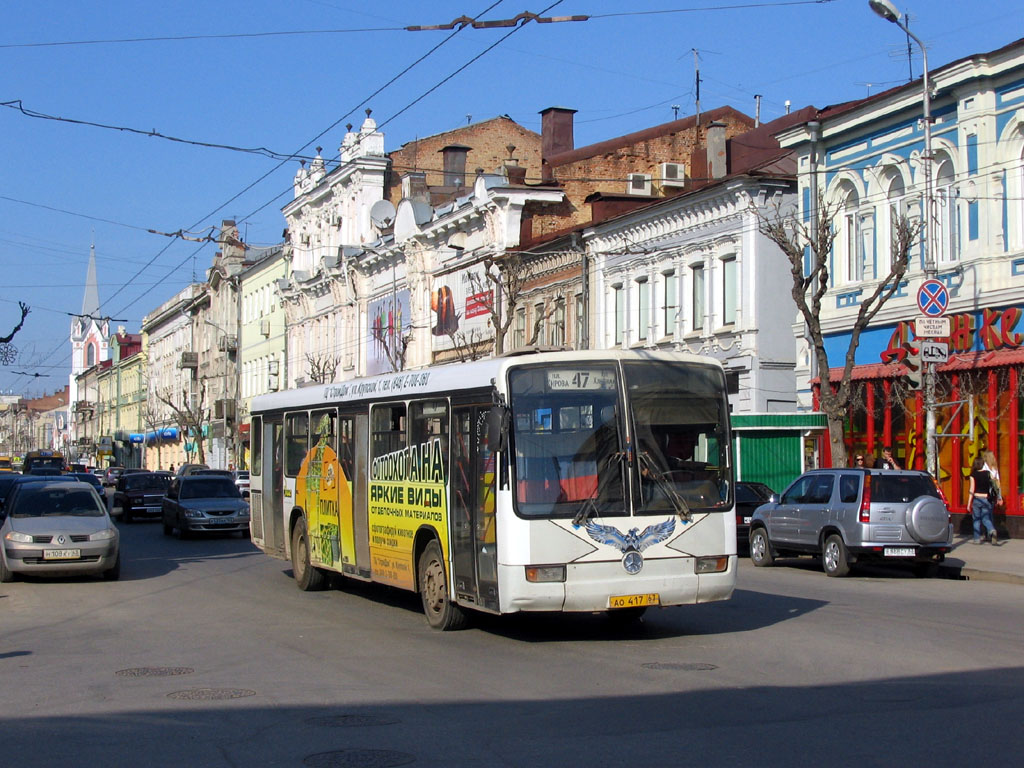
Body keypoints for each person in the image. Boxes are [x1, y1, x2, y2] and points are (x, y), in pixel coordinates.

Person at [967, 455, 999, 545]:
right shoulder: (988, 473)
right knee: (986, 518)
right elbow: (994, 484)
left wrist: (969, 502)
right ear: (983, 464)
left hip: (977, 499)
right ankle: (992, 530)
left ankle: (977, 539)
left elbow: (972, 489)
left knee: (976, 519)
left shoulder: (973, 474)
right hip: (987, 498)